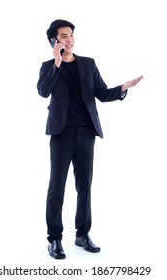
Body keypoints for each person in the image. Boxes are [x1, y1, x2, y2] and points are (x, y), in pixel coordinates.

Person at [37, 19, 143, 259]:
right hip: (61, 133)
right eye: (63, 36)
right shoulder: (47, 66)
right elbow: (43, 91)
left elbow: (101, 93)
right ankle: (54, 239)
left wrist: (122, 88)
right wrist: (56, 65)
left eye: (71, 35)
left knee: (84, 187)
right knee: (57, 187)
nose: (69, 39)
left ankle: (82, 234)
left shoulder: (88, 64)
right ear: (54, 41)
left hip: (86, 133)